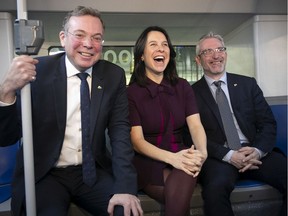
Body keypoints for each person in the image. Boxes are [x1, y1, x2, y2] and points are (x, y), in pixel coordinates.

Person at [0, 6, 143, 216]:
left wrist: (125, 188)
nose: (88, 44)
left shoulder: (113, 76)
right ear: (63, 38)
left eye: (96, 38)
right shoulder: (36, 71)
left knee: (126, 211)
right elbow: (7, 136)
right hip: (46, 174)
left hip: (92, 172)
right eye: (79, 35)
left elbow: (120, 131)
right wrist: (6, 91)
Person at [190, 32, 287, 216]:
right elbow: (190, 135)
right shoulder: (190, 93)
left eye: (220, 49)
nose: (216, 55)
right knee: (214, 192)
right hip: (220, 158)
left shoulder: (247, 84)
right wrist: (228, 155)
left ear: (225, 54)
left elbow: (267, 123)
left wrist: (257, 150)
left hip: (255, 153)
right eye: (208, 51)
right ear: (198, 59)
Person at [127, 26, 207, 216]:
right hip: (148, 161)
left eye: (164, 45)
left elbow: (195, 125)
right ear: (141, 56)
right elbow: (137, 142)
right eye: (153, 44)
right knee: (177, 195)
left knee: (180, 185)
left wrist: (202, 154)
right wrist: (174, 159)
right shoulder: (130, 93)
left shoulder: (183, 86)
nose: (161, 49)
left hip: (183, 154)